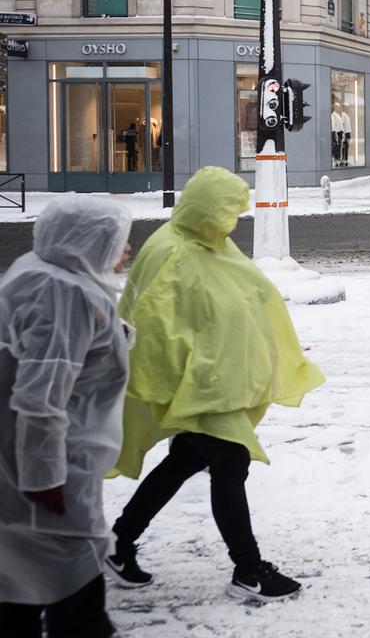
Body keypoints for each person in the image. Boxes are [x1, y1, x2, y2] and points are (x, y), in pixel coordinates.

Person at [106, 167, 325, 603]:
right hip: (198, 386)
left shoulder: (209, 244)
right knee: (230, 462)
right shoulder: (171, 251)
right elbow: (152, 326)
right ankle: (248, 570)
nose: (233, 222)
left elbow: (238, 294)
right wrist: (186, 379)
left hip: (217, 383)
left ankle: (118, 541)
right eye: (227, 211)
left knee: (185, 460)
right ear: (204, 207)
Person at [0, 196, 132, 638]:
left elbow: (39, 345)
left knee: (22, 581)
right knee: (68, 584)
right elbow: (41, 396)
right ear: (86, 241)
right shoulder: (65, 294)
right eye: (117, 240)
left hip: (29, 459)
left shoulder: (40, 269)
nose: (126, 250)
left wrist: (110, 331)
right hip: (48, 467)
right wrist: (44, 479)